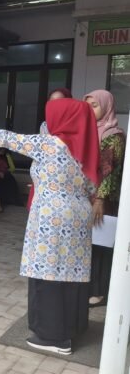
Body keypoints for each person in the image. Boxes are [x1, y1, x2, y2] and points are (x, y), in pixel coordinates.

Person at [0, 97, 100, 355]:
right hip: (78, 216)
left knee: (48, 275)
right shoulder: (85, 148)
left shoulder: (51, 144)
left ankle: (53, 338)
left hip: (52, 219)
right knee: (70, 275)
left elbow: (10, 139)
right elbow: (90, 186)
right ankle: (72, 328)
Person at [84, 89, 126, 307]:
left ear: (106, 106)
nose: (90, 110)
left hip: (103, 199)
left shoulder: (114, 136)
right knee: (89, 244)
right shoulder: (89, 131)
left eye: (95, 105)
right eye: (87, 105)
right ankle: (89, 286)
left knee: (101, 244)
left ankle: (99, 291)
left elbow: (111, 172)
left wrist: (100, 199)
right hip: (87, 196)